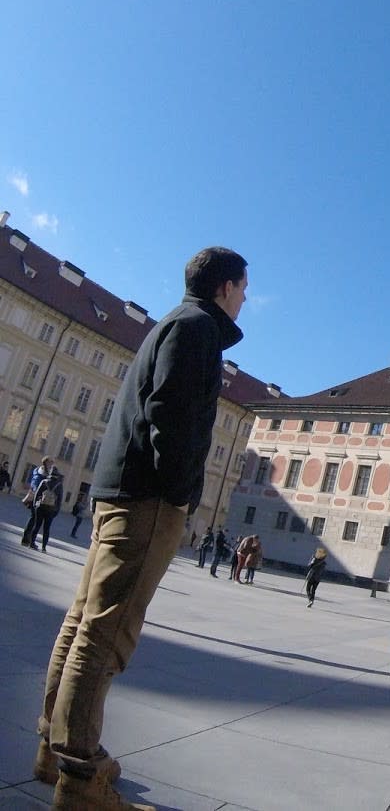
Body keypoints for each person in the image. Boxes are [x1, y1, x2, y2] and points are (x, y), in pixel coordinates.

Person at [32, 246, 247, 811]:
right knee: (106, 636)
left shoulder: (172, 324)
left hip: (121, 491)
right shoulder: (197, 328)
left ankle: (53, 750)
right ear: (225, 287)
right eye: (244, 287)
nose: (247, 298)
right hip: (147, 500)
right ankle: (81, 779)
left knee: (83, 625)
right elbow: (171, 416)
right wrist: (179, 492)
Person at [24, 466, 64, 551]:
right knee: (46, 529)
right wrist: (56, 511)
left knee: (37, 526)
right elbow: (60, 499)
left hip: (41, 507)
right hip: (51, 509)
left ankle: (31, 543)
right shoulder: (59, 485)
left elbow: (37, 494)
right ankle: (44, 547)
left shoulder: (44, 482)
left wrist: (35, 505)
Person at [21, 457, 54, 547]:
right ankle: (27, 540)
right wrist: (37, 492)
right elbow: (35, 483)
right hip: (36, 498)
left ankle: (27, 540)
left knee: (33, 519)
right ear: (46, 462)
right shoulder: (41, 472)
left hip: (37, 497)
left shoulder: (42, 471)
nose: (52, 464)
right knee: (34, 520)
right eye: (51, 462)